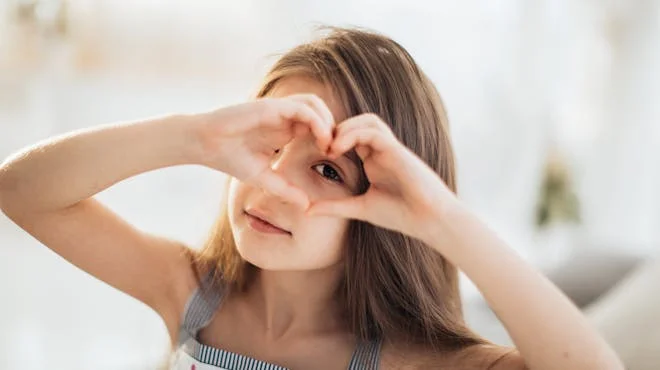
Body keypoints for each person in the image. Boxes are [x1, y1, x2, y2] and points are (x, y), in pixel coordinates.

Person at [0, 26, 623, 370]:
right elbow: (21, 191)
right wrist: (193, 136)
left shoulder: (411, 362)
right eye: (266, 148)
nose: (276, 182)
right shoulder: (192, 295)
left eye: (326, 171)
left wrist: (440, 218)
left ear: (383, 203)